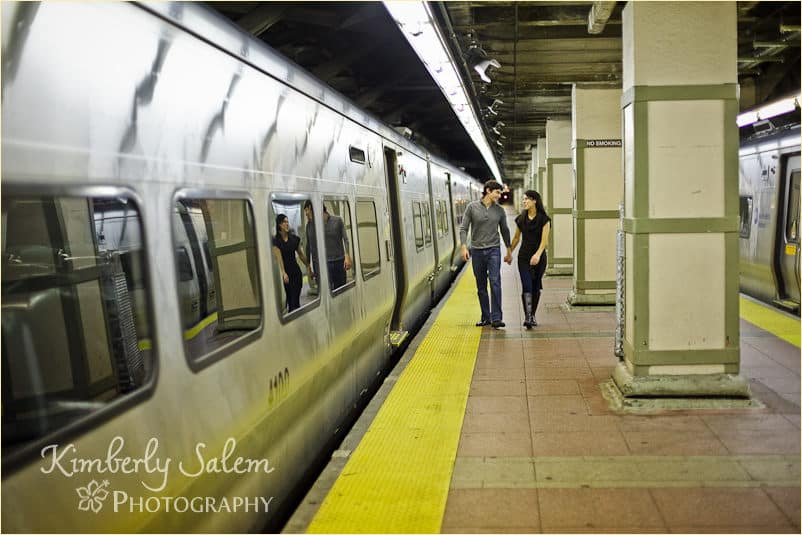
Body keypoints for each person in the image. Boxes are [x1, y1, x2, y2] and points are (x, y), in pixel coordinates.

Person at [460, 180, 513, 329]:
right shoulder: (472, 207)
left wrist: (509, 250)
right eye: (497, 192)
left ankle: (497, 318)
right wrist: (464, 247)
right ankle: (486, 317)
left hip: (494, 250)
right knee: (481, 285)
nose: (499, 195)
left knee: (495, 282)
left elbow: (505, 230)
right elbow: (463, 228)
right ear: (488, 191)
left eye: (500, 193)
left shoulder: (500, 210)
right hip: (476, 251)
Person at [510, 190, 550, 328]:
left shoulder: (544, 219)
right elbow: (516, 238)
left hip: (539, 258)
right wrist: (509, 252)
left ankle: (532, 315)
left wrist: (538, 255)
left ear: (534, 201)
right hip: (524, 257)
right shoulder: (521, 219)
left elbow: (544, 241)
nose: (524, 201)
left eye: (526, 199)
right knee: (526, 285)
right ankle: (528, 317)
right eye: (523, 199)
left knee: (535, 286)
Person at [304, 201, 352, 291]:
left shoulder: (337, 221)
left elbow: (345, 239)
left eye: (307, 210)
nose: (306, 214)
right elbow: (309, 246)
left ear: (313, 208)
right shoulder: (310, 226)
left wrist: (347, 255)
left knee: (341, 291)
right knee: (324, 291)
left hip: (338, 262)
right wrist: (308, 266)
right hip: (322, 265)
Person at [272, 213, 307, 312]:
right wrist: (283, 273)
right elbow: (280, 259)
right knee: (290, 302)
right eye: (284, 222)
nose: (287, 224)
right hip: (287, 276)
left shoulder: (294, 239)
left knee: (295, 302)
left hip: (296, 273)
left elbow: (300, 254)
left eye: (287, 222)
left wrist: (308, 266)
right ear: (279, 224)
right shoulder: (276, 241)